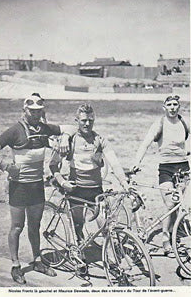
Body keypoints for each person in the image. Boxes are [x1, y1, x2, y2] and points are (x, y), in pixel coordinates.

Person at [0, 93, 75, 284]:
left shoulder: (44, 128)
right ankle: (15, 266)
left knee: (35, 226)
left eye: (39, 111)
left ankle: (37, 260)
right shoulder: (15, 130)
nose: (36, 114)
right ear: (25, 110)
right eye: (32, 111)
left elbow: (71, 127)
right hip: (18, 187)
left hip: (37, 186)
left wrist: (63, 138)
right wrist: (5, 166)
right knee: (17, 227)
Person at [49, 103, 130, 275]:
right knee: (78, 225)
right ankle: (78, 256)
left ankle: (112, 259)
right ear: (76, 121)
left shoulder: (99, 139)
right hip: (76, 190)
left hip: (96, 191)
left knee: (106, 225)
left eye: (90, 121)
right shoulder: (69, 140)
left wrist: (124, 183)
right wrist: (62, 181)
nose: (87, 124)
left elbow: (114, 163)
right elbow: (53, 164)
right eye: (83, 120)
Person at [132, 95, 190, 256]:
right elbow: (146, 143)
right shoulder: (160, 123)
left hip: (184, 168)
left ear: (179, 107)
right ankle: (166, 239)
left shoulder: (184, 122)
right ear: (164, 107)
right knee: (170, 204)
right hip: (166, 169)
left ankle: (174, 231)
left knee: (180, 206)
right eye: (169, 105)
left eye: (175, 104)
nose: (172, 107)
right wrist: (137, 162)